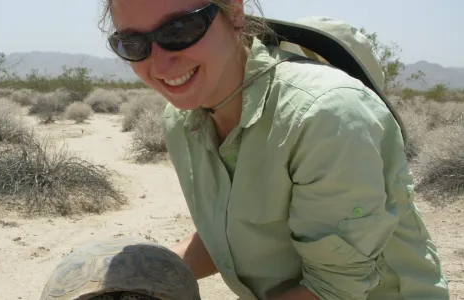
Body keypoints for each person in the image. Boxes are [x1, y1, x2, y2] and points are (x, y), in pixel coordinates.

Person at [97, 0, 450, 299]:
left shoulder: (324, 115)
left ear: (234, 13)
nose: (158, 64)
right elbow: (234, 236)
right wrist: (133, 278)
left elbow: (334, 289)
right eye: (133, 44)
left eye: (178, 31)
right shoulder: (182, 120)